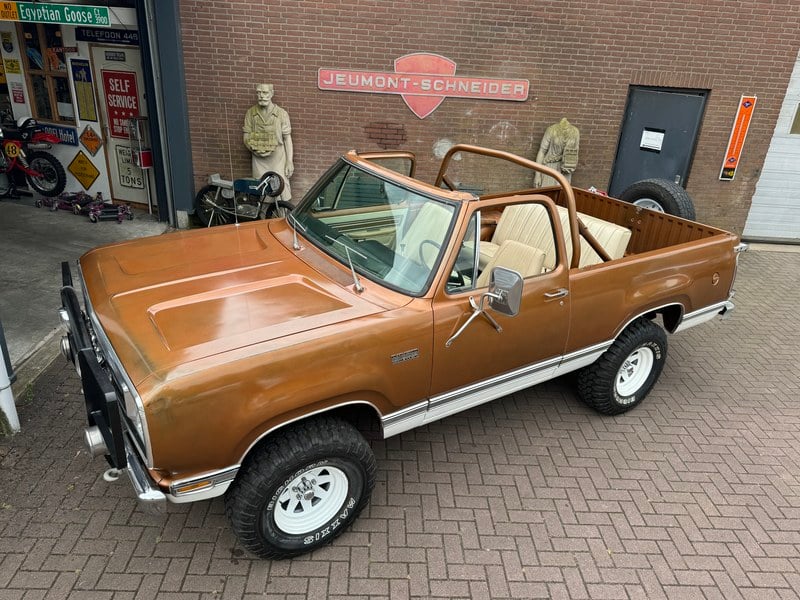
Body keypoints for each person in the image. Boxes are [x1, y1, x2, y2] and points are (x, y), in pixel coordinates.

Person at [242, 83, 294, 204]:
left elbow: (287, 138)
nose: (261, 96)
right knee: (261, 190)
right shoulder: (250, 113)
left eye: (265, 93)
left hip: (278, 158)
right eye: (258, 93)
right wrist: (253, 148)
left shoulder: (282, 114)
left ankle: (282, 215)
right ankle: (264, 217)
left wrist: (289, 161)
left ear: (271, 94)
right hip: (258, 160)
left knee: (281, 188)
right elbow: (246, 136)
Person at [533, 118, 580, 188]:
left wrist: (571, 165)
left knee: (562, 193)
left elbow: (575, 153)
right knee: (547, 192)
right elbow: (542, 151)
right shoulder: (551, 130)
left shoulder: (575, 132)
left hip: (566, 169)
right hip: (550, 167)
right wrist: (537, 176)